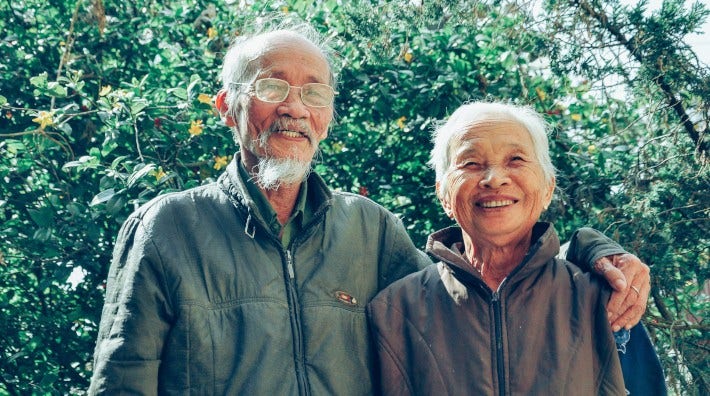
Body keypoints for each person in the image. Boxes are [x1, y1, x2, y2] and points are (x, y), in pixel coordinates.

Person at [88, 22, 651, 394]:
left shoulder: (370, 229)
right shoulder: (168, 228)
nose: (294, 108)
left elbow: (478, 298)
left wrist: (593, 251)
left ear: (328, 115)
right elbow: (121, 382)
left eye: (314, 92)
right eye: (271, 86)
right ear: (226, 108)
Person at [367, 101, 665, 395]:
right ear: (444, 194)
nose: (494, 178)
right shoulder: (395, 309)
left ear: (548, 187)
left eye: (516, 160)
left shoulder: (603, 298)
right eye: (471, 163)